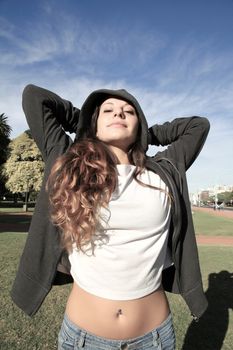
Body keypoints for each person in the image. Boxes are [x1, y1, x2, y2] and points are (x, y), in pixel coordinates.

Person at [11, 84, 210, 350]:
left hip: (155, 338)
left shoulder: (165, 170)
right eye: (108, 110)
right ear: (94, 122)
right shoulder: (69, 162)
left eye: (129, 111)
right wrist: (85, 125)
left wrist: (145, 134)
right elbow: (34, 97)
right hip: (82, 339)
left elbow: (199, 126)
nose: (119, 114)